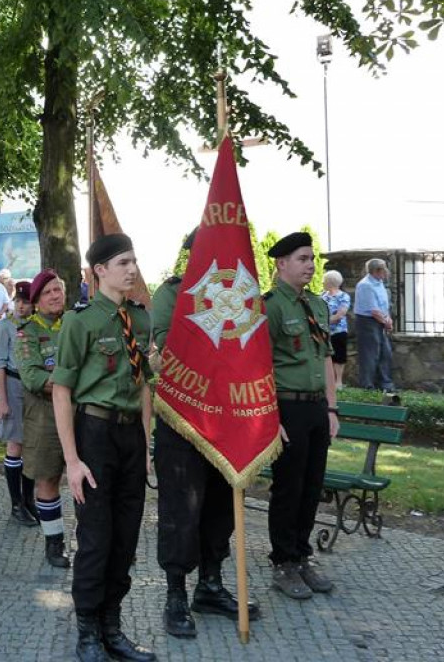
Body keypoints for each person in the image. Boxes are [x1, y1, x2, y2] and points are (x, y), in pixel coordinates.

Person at [52, 234, 156, 662]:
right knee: (96, 537)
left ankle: (113, 626)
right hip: (94, 434)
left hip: (131, 437)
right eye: (123, 262)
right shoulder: (80, 322)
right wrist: (73, 461)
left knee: (126, 536)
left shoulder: (140, 319)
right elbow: (62, 391)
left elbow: (143, 383)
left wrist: (147, 445)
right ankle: (88, 631)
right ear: (99, 271)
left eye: (134, 261)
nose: (132, 269)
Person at [151, 229, 259, 639]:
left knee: (220, 508)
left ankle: (210, 586)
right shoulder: (172, 294)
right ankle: (176, 594)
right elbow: (168, 346)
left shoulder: (246, 295)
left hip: (228, 420)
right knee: (181, 511)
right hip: (183, 419)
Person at [264, 232, 339, 599]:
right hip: (286, 407)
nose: (310, 265)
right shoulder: (270, 306)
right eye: (302, 259)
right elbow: (258, 366)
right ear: (281, 264)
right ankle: (283, 562)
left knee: (311, 487)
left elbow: (325, 357)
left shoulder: (318, 305)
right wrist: (269, 417)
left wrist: (331, 407)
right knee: (288, 488)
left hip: (314, 408)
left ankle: (302, 555)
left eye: (312, 259)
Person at [17, 269, 72, 568]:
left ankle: (92, 540)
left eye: (59, 289)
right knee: (48, 480)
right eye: (48, 292)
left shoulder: (75, 325)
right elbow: (33, 376)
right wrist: (74, 381)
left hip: (80, 417)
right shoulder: (28, 333)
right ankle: (54, 543)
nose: (55, 296)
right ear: (36, 300)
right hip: (44, 419)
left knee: (87, 479)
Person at [0, 280, 37, 527]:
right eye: (18, 301)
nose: (21, 306)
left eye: (26, 301)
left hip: (33, 388)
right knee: (15, 446)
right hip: (12, 384)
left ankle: (29, 500)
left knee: (31, 446)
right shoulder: (5, 325)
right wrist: (2, 399)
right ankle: (15, 504)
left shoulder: (36, 325)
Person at [354, 258, 395, 392]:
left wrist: (388, 319)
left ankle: (385, 384)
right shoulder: (365, 285)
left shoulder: (379, 282)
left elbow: (383, 304)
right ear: (377, 271)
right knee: (370, 355)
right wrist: (386, 322)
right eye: (384, 269)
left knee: (385, 353)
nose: (387, 272)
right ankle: (368, 385)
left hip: (380, 320)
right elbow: (374, 310)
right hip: (368, 322)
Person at [321, 270, 350, 391]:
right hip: (324, 332)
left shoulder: (344, 296)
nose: (322, 282)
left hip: (339, 331)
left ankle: (339, 381)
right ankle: (329, 381)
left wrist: (324, 323)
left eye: (324, 281)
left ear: (330, 282)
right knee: (327, 356)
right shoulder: (322, 296)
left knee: (339, 356)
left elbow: (340, 314)